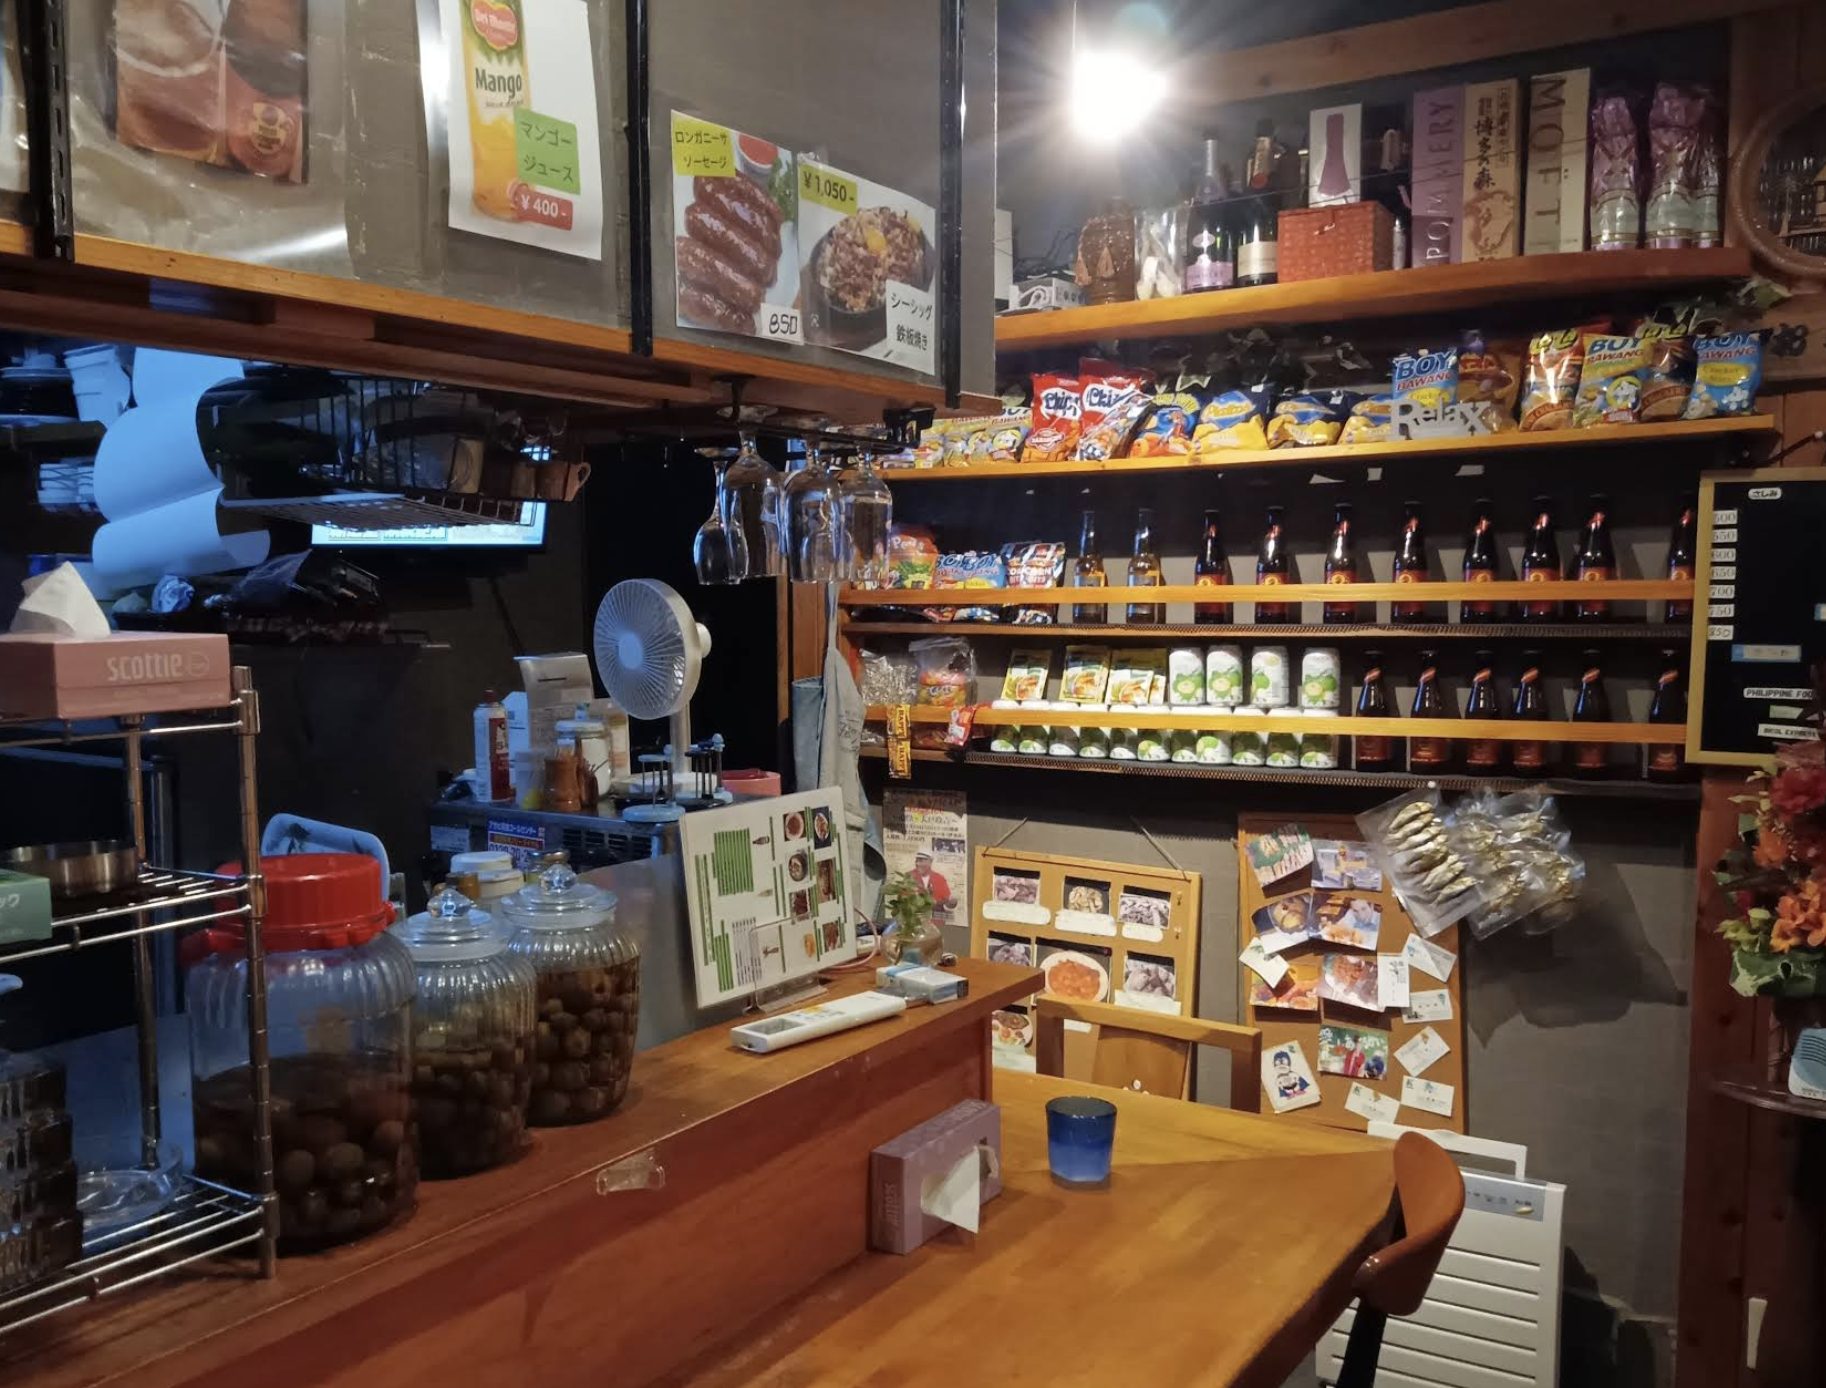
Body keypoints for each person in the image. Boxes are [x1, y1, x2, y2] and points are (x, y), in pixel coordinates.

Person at [911, 850, 953, 919]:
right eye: (916, 861)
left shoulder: (939, 878)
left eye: (921, 861)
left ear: (930, 862)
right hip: (915, 919)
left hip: (935, 920)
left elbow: (946, 900)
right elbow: (903, 899)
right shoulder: (909, 876)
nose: (918, 864)